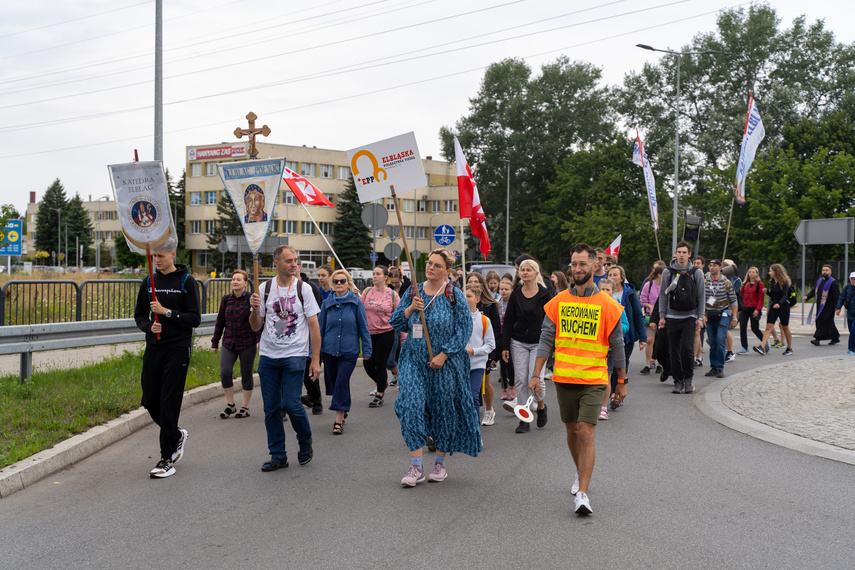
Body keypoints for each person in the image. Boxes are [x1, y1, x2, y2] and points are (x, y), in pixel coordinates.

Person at [529, 243, 626, 515]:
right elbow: (545, 338)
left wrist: (622, 380)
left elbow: (617, 344)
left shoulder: (608, 305)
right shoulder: (558, 302)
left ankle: (582, 493)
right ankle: (579, 470)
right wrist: (536, 374)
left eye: (583, 264)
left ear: (595, 266)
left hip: (595, 378)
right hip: (564, 378)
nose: (577, 269)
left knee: (586, 431)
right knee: (571, 431)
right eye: (574, 264)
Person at [390, 248, 481, 486]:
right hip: (413, 359)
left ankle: (439, 462)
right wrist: (410, 309)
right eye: (429, 264)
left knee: (442, 409)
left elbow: (464, 330)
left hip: (444, 364)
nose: (431, 268)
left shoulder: (454, 294)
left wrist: (444, 354)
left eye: (437, 266)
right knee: (410, 404)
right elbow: (396, 322)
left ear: (447, 271)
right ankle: (416, 466)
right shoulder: (413, 291)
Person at [133, 239, 201, 478]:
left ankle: (166, 459)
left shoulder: (186, 281)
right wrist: (149, 326)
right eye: (154, 257)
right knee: (150, 400)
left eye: (161, 256)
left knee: (169, 402)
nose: (157, 261)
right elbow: (139, 315)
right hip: (154, 348)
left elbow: (194, 319)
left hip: (177, 348)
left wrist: (167, 313)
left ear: (173, 254)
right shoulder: (149, 282)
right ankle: (177, 435)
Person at [249, 245, 320, 471]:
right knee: (271, 408)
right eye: (289, 260)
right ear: (276, 263)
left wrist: (315, 359)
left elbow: (313, 326)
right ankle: (278, 454)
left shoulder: (303, 288)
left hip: (295, 354)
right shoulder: (265, 288)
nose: (294, 264)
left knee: (291, 403)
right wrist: (254, 310)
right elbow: (256, 326)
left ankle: (305, 440)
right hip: (269, 356)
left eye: (296, 260)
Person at [501, 258, 553, 433]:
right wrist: (505, 345)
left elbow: (553, 321)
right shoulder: (516, 293)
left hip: (540, 342)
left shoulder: (545, 294)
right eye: (522, 270)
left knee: (535, 379)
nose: (524, 272)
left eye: (528, 270)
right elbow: (508, 320)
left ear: (536, 273)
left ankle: (540, 407)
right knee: (521, 380)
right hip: (519, 342)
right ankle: (523, 418)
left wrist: (554, 345)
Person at [319, 269, 371, 434]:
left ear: (348, 284)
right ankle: (343, 407)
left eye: (342, 281)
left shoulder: (356, 303)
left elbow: (363, 327)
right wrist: (315, 353)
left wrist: (367, 349)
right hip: (329, 350)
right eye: (336, 281)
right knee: (335, 384)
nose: (339, 284)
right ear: (332, 285)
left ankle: (338, 420)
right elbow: (319, 329)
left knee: (341, 380)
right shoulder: (326, 303)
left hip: (349, 351)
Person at [212, 269, 260, 419]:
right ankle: (230, 405)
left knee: (246, 374)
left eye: (239, 279)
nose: (235, 282)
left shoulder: (251, 299)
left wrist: (259, 339)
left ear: (245, 283)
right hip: (229, 341)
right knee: (225, 371)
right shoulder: (226, 299)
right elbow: (220, 321)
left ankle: (245, 407)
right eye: (233, 279)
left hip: (247, 342)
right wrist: (215, 341)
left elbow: (258, 319)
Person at [658, 241, 705, 394]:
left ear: (689, 254)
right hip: (672, 316)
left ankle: (688, 379)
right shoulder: (668, 272)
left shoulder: (696, 272)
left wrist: (700, 316)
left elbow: (701, 296)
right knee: (673, 351)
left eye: (685, 252)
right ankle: (677, 380)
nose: (682, 255)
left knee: (687, 348)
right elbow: (663, 296)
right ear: (676, 254)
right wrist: (662, 316)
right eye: (679, 252)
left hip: (689, 316)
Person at [605, 265, 645, 405]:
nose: (612, 277)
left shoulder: (630, 293)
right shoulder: (602, 294)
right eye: (610, 274)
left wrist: (643, 337)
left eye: (615, 274)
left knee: (620, 366)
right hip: (606, 340)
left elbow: (638, 315)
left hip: (625, 336)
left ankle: (617, 393)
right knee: (608, 369)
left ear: (622, 278)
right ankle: (608, 395)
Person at [466, 272, 501, 425]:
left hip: (480, 359)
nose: (474, 284)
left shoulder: (487, 311)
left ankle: (487, 411)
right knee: (465, 395)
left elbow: (492, 339)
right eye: (470, 281)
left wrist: (480, 352)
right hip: (462, 362)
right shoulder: (458, 315)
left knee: (481, 389)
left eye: (476, 281)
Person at [362, 265, 399, 408]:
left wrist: (403, 337)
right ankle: (381, 382)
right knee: (368, 364)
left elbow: (400, 316)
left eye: (378, 274)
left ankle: (379, 395)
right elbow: (359, 307)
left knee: (381, 364)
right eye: (373, 273)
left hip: (386, 333)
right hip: (368, 334)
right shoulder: (367, 292)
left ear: (385, 277)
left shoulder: (393, 295)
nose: (374, 276)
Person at [595, 278, 629, 420]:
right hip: (595, 349)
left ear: (613, 291)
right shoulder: (593, 306)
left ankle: (603, 408)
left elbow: (626, 326)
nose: (604, 292)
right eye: (602, 289)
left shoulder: (616, 306)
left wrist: (614, 330)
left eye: (607, 289)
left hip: (609, 350)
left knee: (606, 378)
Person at [702, 259, 738, 379]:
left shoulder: (726, 282)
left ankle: (720, 368)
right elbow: (700, 300)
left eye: (715, 266)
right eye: (710, 266)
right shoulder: (704, 282)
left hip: (723, 313)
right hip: (710, 313)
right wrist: (702, 315)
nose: (712, 268)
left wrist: (734, 317)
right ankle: (713, 367)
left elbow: (733, 300)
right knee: (712, 342)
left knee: (720, 340)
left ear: (720, 268)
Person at [299, 264, 326, 416]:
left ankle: (316, 399)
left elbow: (318, 314)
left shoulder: (309, 287)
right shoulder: (278, 286)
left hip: (309, 334)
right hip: (290, 337)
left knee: (309, 371)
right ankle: (282, 407)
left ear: (299, 267)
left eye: (294, 263)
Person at [754, 264, 794, 356]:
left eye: (770, 271)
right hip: (774, 306)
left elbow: (785, 296)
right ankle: (762, 347)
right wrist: (767, 292)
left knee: (785, 327)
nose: (769, 272)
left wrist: (779, 304)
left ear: (776, 272)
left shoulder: (784, 282)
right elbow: (773, 295)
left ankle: (789, 348)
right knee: (768, 326)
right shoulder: (772, 281)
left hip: (783, 306)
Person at [385, 266, 411, 387]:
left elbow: (410, 284)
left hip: (406, 320)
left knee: (401, 351)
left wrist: (404, 274)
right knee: (393, 352)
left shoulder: (405, 287)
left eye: (396, 282)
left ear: (400, 279)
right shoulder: (389, 289)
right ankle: (395, 376)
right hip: (394, 322)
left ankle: (401, 376)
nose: (394, 284)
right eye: (392, 282)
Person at [804, 264, 841, 346]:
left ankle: (817, 339)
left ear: (830, 272)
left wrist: (837, 308)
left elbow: (837, 296)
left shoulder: (832, 282)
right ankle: (835, 337)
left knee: (823, 322)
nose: (824, 272)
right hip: (820, 305)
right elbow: (814, 291)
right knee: (828, 322)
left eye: (826, 270)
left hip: (829, 306)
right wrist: (807, 296)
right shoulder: (820, 281)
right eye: (823, 270)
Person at [639, 261, 665, 374]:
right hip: (651, 316)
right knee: (650, 340)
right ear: (659, 274)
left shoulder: (667, 286)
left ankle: (660, 364)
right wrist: (650, 306)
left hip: (663, 316)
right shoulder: (648, 285)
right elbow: (642, 300)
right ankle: (648, 364)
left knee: (662, 341)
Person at [738, 266, 767, 355]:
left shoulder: (760, 284)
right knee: (742, 327)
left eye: (753, 272)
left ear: (757, 274)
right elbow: (741, 297)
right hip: (745, 308)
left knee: (754, 328)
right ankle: (745, 347)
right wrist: (740, 309)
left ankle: (764, 342)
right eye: (750, 272)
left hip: (754, 308)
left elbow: (761, 299)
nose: (751, 274)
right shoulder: (745, 284)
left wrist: (758, 310)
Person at [498, 276, 515, 401]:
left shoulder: (514, 303)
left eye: (506, 289)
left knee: (511, 364)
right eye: (501, 289)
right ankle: (504, 388)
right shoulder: (497, 304)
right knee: (502, 364)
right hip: (500, 336)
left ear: (511, 290)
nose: (503, 291)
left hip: (511, 336)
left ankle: (513, 387)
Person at [722, 259, 742, 362]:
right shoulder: (720, 277)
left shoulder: (736, 280)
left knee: (726, 329)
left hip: (728, 307)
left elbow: (734, 293)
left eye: (726, 266)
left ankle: (730, 351)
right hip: (719, 306)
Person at [835, 272, 855, 355]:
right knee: (851, 330)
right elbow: (842, 298)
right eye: (852, 279)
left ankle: (851, 349)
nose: (853, 280)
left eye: (854, 279)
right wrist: (838, 308)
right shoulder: (847, 287)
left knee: (854, 331)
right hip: (850, 313)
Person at [692, 255, 706, 369]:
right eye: (694, 263)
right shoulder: (690, 275)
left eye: (698, 263)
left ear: (702, 265)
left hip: (700, 310)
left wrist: (703, 314)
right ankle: (698, 356)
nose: (696, 265)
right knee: (696, 333)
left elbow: (704, 296)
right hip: (691, 308)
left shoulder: (705, 278)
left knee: (697, 333)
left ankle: (696, 357)